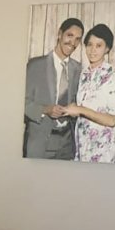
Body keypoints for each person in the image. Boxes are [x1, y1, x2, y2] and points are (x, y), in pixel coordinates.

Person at [56, 23, 115, 164]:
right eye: (89, 45)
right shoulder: (84, 74)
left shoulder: (112, 76)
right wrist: (70, 109)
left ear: (107, 49)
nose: (93, 50)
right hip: (80, 149)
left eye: (99, 46)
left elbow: (112, 120)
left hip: (100, 152)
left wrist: (80, 110)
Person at [23, 17, 84, 160]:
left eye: (77, 39)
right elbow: (21, 103)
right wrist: (45, 109)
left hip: (67, 145)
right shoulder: (35, 65)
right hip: (40, 143)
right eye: (69, 35)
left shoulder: (78, 69)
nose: (73, 43)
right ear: (60, 34)